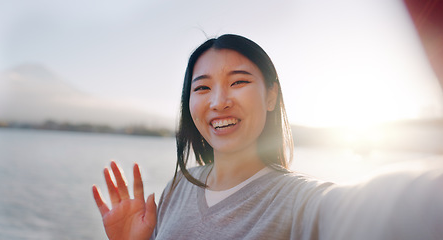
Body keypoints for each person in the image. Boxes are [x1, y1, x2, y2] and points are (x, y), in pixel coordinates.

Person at [92, 34, 443, 240]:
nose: (218, 102)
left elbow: (383, 209)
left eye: (239, 81)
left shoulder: (299, 202)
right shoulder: (179, 187)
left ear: (271, 95)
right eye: (202, 88)